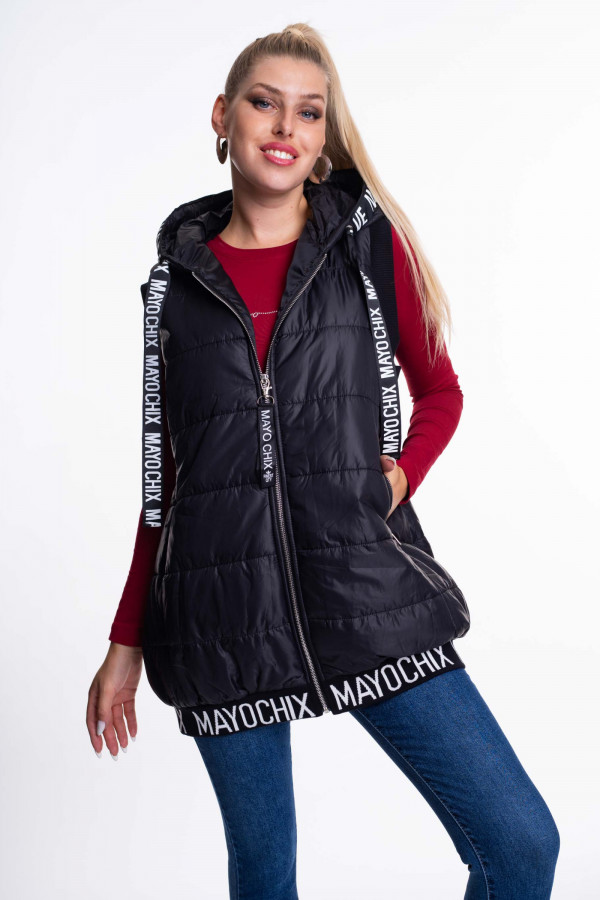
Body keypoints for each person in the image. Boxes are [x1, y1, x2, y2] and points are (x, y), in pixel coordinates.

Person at [86, 23, 560, 899]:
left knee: (520, 841)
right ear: (223, 116)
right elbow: (167, 484)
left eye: (309, 112)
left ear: (323, 135)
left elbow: (441, 390)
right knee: (265, 879)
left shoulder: (366, 250)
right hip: (220, 616)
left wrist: (401, 474)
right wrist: (126, 642)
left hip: (366, 589)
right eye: (264, 103)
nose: (285, 127)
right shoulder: (175, 289)